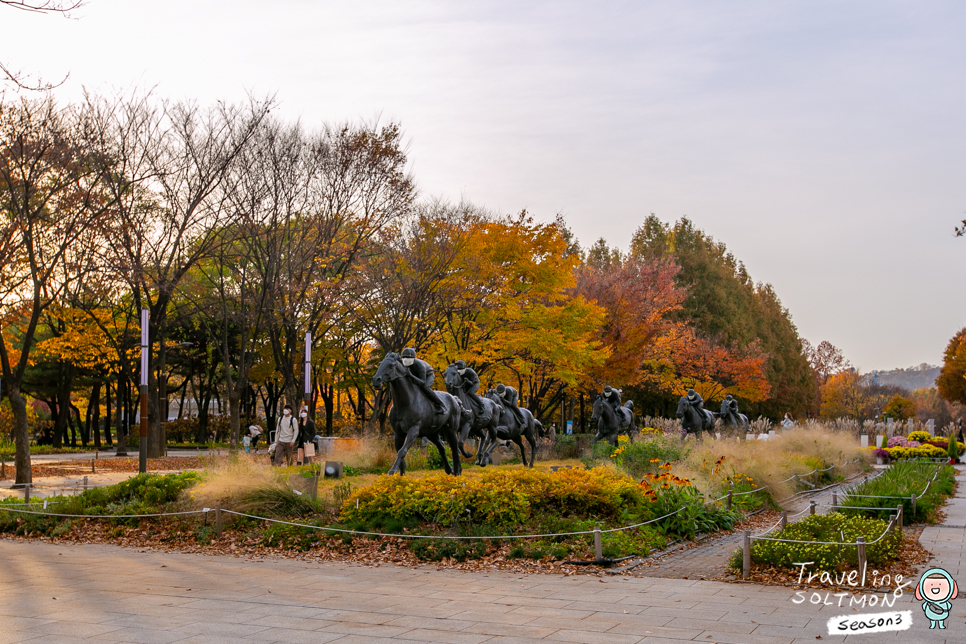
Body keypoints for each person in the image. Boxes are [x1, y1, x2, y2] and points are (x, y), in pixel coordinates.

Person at [400, 347, 444, 414]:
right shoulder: (403, 362)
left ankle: (440, 404)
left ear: (413, 359)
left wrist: (410, 375)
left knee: (425, 387)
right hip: (414, 375)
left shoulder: (420, 366)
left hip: (428, 376)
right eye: (404, 358)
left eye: (407, 359)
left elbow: (422, 382)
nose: (405, 360)